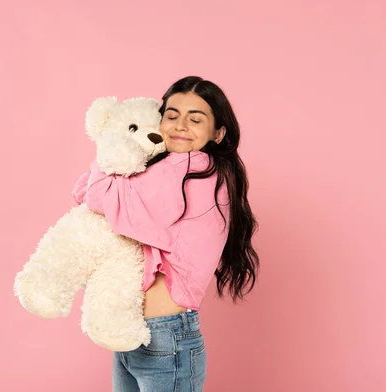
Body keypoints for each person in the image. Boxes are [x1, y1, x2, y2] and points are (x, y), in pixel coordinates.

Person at [72, 75, 259, 391]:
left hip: (166, 336)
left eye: (195, 119)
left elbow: (94, 193)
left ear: (218, 132)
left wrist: (114, 141)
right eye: (171, 116)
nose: (180, 125)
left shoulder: (191, 169)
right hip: (138, 333)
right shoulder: (169, 168)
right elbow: (86, 191)